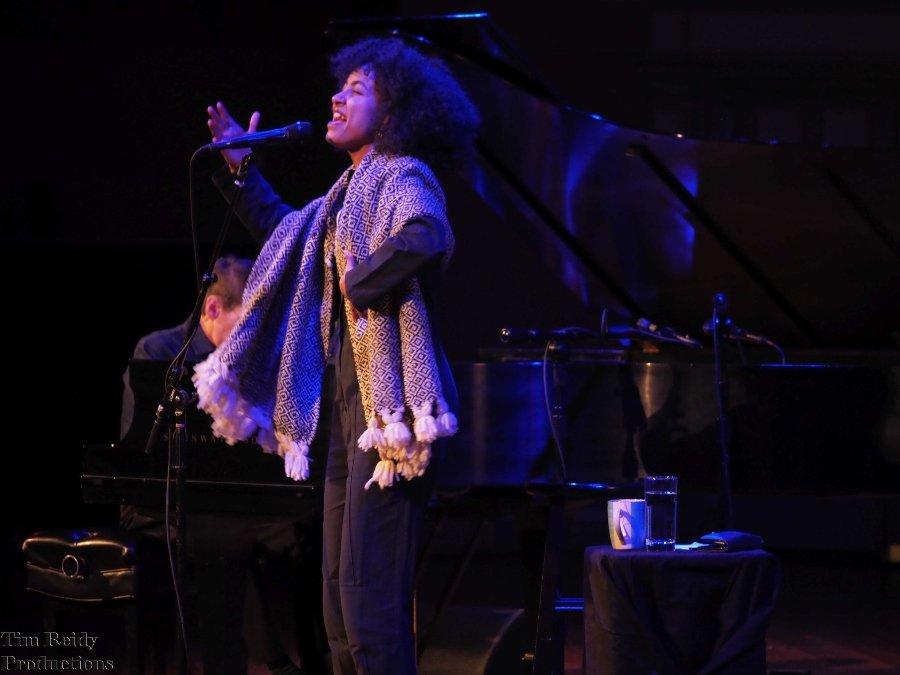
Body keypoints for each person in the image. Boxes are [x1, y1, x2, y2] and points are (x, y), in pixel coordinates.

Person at [193, 36, 479, 675]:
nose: (336, 97)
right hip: (350, 416)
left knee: (369, 613)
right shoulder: (343, 197)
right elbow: (284, 233)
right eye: (340, 86)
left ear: (395, 109)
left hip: (391, 418)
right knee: (339, 613)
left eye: (357, 89)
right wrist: (240, 169)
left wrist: (358, 281)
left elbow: (427, 234)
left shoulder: (403, 175)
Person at [119, 254, 327, 675]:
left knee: (314, 529)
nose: (252, 338)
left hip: (236, 502)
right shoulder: (160, 352)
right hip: (161, 500)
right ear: (213, 308)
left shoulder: (250, 360)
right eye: (245, 324)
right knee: (222, 536)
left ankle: (317, 661)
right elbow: (146, 457)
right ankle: (261, 661)